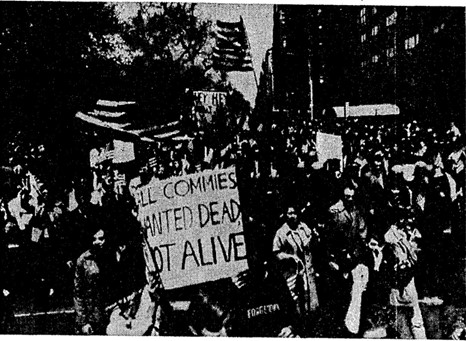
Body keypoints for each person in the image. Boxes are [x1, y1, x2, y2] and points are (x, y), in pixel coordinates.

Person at [273, 205, 319, 319]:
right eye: (289, 213)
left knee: (311, 300)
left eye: (294, 213)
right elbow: (276, 253)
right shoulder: (281, 232)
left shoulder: (303, 227)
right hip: (293, 274)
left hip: (308, 271)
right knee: (297, 302)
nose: (292, 216)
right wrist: (289, 257)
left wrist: (315, 238)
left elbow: (310, 244)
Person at [74, 226, 115, 335]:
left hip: (113, 314)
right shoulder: (83, 260)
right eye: (94, 239)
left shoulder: (114, 257)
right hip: (91, 318)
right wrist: (83, 322)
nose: (97, 242)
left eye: (101, 239)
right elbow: (78, 292)